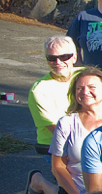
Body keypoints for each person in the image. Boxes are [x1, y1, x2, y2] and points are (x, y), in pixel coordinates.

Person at [35, 68, 102, 194]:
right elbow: (58, 167)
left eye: (91, 87)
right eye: (80, 88)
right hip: (75, 192)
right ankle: (40, 182)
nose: (85, 92)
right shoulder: (66, 123)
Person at [27, 35, 83, 164]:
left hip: (87, 137)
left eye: (64, 57)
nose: (58, 62)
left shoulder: (87, 76)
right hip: (56, 143)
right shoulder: (39, 90)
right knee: (75, 183)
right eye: (51, 58)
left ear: (74, 57)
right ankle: (38, 182)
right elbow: (55, 128)